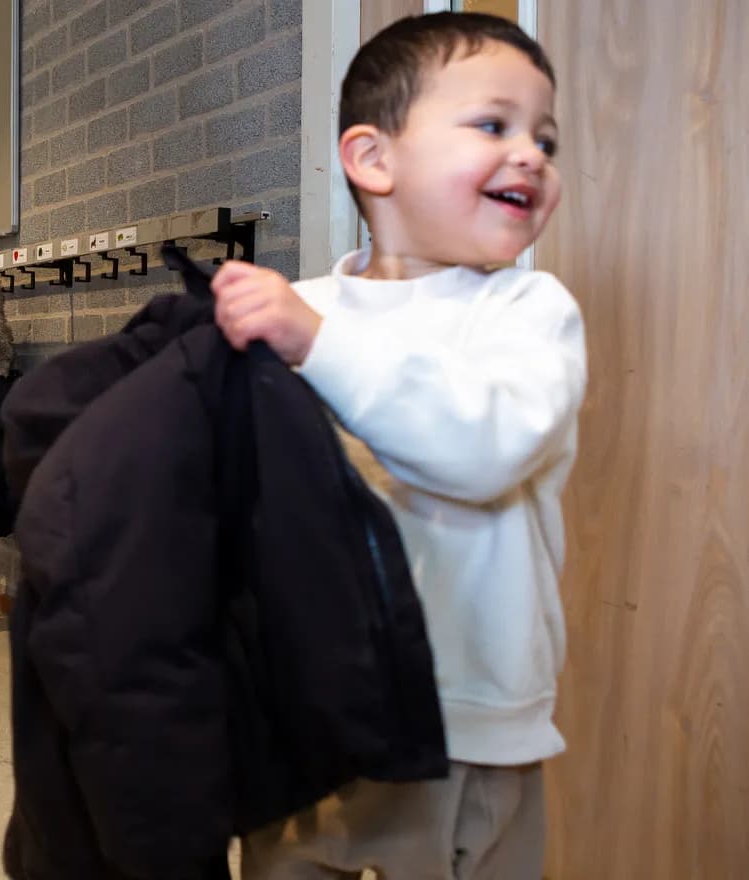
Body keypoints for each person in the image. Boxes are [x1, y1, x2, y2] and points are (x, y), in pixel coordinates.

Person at [211, 13, 586, 879]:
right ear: (373, 159)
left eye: (546, 138)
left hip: (471, 724)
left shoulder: (529, 316)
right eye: (494, 125)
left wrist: (316, 346)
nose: (530, 153)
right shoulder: (300, 309)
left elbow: (479, 449)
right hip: (309, 714)